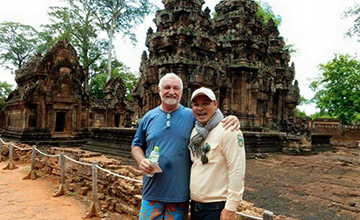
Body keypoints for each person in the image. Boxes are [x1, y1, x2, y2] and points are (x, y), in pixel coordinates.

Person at [131, 73, 240, 220]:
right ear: (159, 90)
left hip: (179, 196)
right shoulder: (148, 117)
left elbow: (212, 119)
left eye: (176, 88)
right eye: (167, 87)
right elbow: (136, 145)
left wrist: (232, 119)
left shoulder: (192, 116)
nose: (171, 91)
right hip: (152, 192)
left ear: (181, 92)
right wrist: (141, 160)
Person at [189, 87, 246, 220]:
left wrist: (230, 208)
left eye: (205, 103)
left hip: (217, 209)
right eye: (196, 104)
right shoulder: (195, 132)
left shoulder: (229, 130)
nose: (200, 108)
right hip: (196, 208)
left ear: (215, 105)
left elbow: (237, 170)